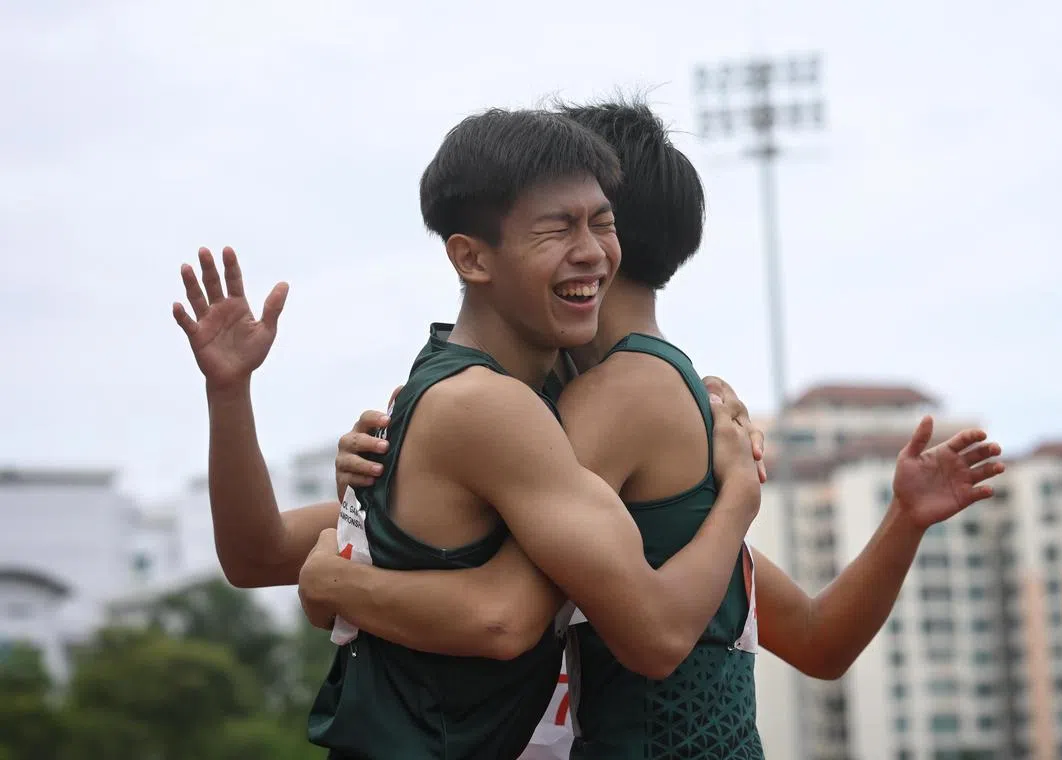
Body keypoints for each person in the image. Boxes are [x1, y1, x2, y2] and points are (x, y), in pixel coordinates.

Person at [301, 99, 1006, 759]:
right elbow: (822, 642)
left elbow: (504, 611)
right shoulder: (679, 402)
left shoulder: (610, 401)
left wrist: (336, 580)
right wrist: (905, 519)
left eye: (587, 212)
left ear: (611, 229)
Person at [172, 107, 763, 760]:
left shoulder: (463, 394)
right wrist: (740, 494)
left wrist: (230, 398)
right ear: (474, 257)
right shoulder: (488, 409)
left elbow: (255, 555)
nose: (590, 250)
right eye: (558, 227)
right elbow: (533, 623)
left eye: (601, 223)